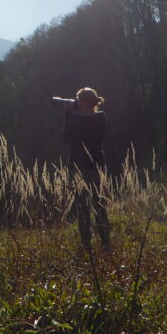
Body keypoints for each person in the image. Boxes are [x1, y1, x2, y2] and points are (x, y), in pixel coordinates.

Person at [60, 86, 110, 250]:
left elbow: (66, 138)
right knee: (99, 207)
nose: (76, 102)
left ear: (85, 102)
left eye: (78, 99)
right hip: (96, 166)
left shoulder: (78, 119)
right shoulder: (101, 117)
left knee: (83, 209)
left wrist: (68, 113)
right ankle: (105, 244)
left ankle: (87, 245)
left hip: (78, 168)